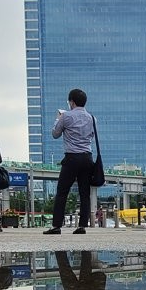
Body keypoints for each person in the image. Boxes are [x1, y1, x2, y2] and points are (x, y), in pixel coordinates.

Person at [44, 89, 95, 235]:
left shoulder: (66, 117)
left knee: (62, 192)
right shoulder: (92, 118)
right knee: (84, 193)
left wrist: (58, 118)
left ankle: (56, 226)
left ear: (71, 102)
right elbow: (91, 136)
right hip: (87, 157)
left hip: (72, 157)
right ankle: (82, 226)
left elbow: (55, 134)